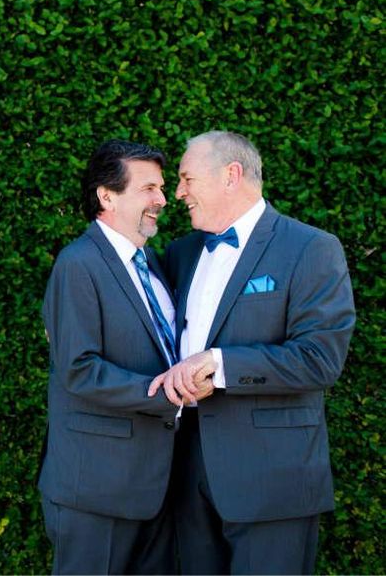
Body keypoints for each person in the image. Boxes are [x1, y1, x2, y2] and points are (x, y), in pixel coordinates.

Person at [149, 130, 355, 575]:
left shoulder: (311, 249)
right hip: (186, 474)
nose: (177, 193)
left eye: (186, 179)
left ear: (231, 175)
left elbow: (319, 358)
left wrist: (219, 365)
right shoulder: (182, 253)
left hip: (272, 478)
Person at [38, 139, 208, 575]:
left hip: (155, 484)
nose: (162, 200)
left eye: (163, 188)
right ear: (107, 195)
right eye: (148, 189)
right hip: (97, 489)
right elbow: (79, 369)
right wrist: (168, 393)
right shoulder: (79, 264)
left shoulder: (149, 262)